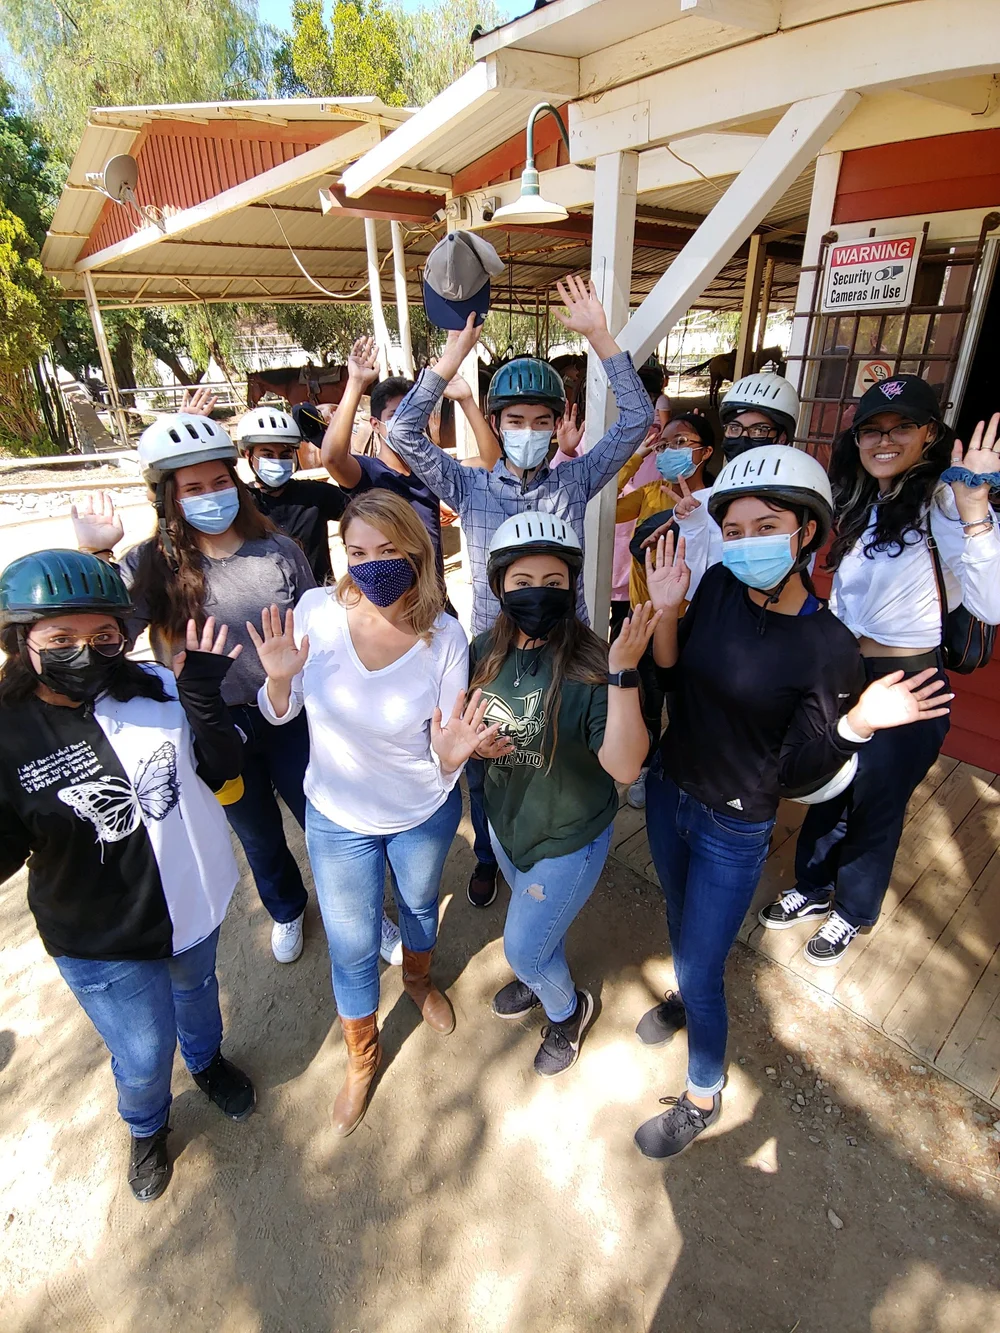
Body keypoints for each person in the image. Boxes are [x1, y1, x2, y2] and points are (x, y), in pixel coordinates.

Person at [633, 445, 952, 1159]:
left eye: (767, 525)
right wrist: (664, 611)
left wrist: (859, 722)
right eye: (737, 530)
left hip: (733, 825)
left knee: (706, 964)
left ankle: (702, 1093)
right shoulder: (714, 584)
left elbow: (800, 775)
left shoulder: (827, 644)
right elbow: (673, 673)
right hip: (669, 792)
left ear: (807, 529)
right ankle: (683, 998)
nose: (747, 544)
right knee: (677, 916)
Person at [384, 275, 653, 910]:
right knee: (487, 757)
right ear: (498, 425)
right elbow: (402, 437)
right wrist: (450, 361)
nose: (529, 429)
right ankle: (489, 853)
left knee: (562, 750)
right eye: (516, 420)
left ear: (559, 421)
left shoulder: (575, 478)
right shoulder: (470, 486)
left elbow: (637, 420)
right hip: (494, 653)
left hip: (567, 648)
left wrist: (599, 336)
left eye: (542, 419)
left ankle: (569, 847)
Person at [0, 550, 254, 1202]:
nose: (85, 651)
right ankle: (146, 1126)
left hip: (189, 904)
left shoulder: (161, 689)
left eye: (103, 636)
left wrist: (203, 698)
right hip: (97, 937)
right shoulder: (6, 735)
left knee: (199, 997)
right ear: (19, 639)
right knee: (142, 1053)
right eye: (60, 639)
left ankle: (206, 1064)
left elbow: (225, 776)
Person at [250, 490, 495, 1136]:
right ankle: (363, 1055)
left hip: (423, 808)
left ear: (418, 550)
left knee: (417, 907)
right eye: (357, 551)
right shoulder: (316, 612)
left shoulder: (443, 632)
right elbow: (281, 712)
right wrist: (278, 681)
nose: (372, 564)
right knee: (353, 944)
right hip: (337, 817)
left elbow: (446, 742)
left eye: (389, 551)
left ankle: (418, 979)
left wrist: (450, 755)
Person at [759, 380, 1000, 964]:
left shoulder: (945, 501)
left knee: (876, 802)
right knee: (829, 787)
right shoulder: (862, 501)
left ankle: (852, 910)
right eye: (872, 429)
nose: (884, 440)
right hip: (844, 670)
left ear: (930, 435)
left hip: (905, 680)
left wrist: (976, 513)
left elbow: (991, 604)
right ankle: (814, 889)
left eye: (901, 427)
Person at [71, 413, 319, 967]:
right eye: (194, 488)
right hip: (211, 730)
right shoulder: (148, 564)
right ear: (168, 498)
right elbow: (103, 641)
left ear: (237, 480)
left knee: (320, 817)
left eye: (220, 481)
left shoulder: (280, 549)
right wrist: (98, 558)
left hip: (289, 713)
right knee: (256, 831)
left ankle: (358, 910)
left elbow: (317, 630)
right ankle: (286, 908)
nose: (212, 496)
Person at [469, 514, 659, 1076]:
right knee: (536, 937)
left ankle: (567, 1011)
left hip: (569, 836)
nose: (538, 594)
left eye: (554, 584)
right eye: (523, 582)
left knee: (523, 948)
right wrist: (477, 749)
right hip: (508, 822)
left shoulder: (595, 662)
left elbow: (625, 765)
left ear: (572, 587)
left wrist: (623, 674)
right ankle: (540, 979)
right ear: (499, 586)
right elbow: (464, 725)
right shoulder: (483, 649)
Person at [318, 337, 501, 585]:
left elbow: (490, 463)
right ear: (376, 425)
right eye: (395, 415)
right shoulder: (368, 473)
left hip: (435, 603)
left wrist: (466, 399)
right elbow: (332, 457)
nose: (406, 423)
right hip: (391, 604)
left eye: (412, 415)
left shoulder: (430, 469)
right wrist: (356, 384)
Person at [614, 412, 717, 809]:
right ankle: (647, 769)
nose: (671, 450)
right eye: (665, 444)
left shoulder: (720, 503)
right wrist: (635, 457)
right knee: (648, 696)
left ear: (705, 452)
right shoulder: (653, 493)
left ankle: (687, 773)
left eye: (682, 442)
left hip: (694, 624)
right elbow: (606, 504)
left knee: (687, 701)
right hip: (645, 619)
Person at [668, 371, 801, 597]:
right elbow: (692, 588)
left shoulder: (795, 501)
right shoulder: (703, 501)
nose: (743, 437)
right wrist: (692, 526)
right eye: (735, 428)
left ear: (781, 437)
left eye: (759, 430)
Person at [233, 405, 347, 584]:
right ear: (248, 455)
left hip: (318, 599)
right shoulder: (240, 502)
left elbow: (365, 504)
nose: (277, 461)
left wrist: (330, 448)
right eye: (268, 454)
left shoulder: (315, 495)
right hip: (268, 605)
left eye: (285, 454)